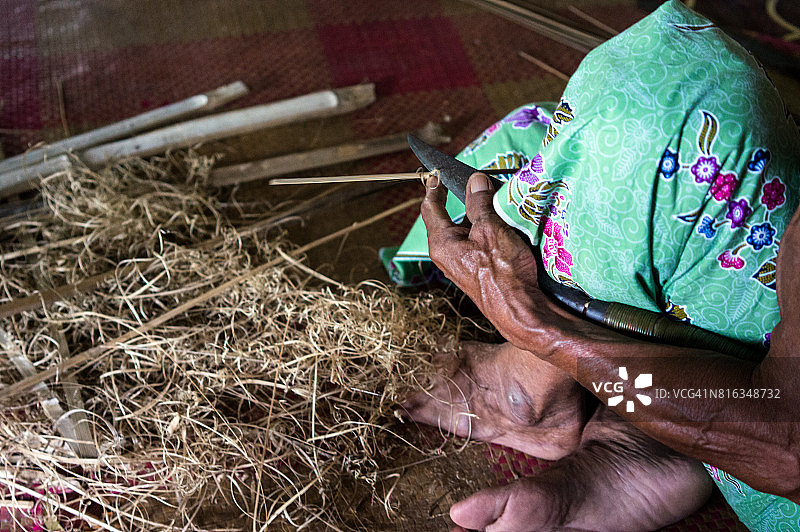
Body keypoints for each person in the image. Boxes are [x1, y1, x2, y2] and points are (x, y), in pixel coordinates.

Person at [402, 1, 800, 530]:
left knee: (660, 153)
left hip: (777, 443)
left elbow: (789, 443)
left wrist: (545, 331)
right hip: (763, 390)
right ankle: (642, 438)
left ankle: (540, 393)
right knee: (610, 114)